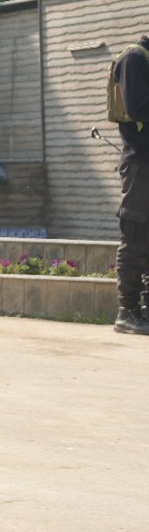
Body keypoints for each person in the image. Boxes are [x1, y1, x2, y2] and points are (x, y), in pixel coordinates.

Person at [110, 33, 149, 335]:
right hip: (140, 165)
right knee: (136, 235)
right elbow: (137, 108)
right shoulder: (134, 59)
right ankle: (128, 310)